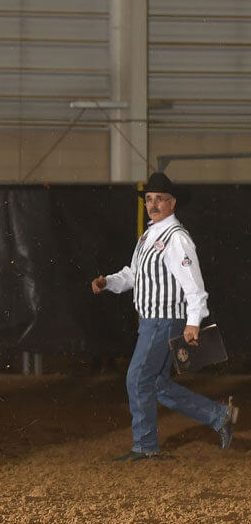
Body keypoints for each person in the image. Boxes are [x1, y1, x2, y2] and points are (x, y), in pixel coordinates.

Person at [91, 171, 238, 460]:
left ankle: (145, 446)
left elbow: (194, 285)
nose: (153, 204)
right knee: (155, 384)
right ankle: (219, 416)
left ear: (173, 203)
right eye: (149, 199)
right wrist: (108, 282)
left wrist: (194, 322)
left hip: (164, 320)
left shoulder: (177, 238)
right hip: (152, 321)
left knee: (137, 379)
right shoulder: (148, 236)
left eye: (160, 199)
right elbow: (133, 274)